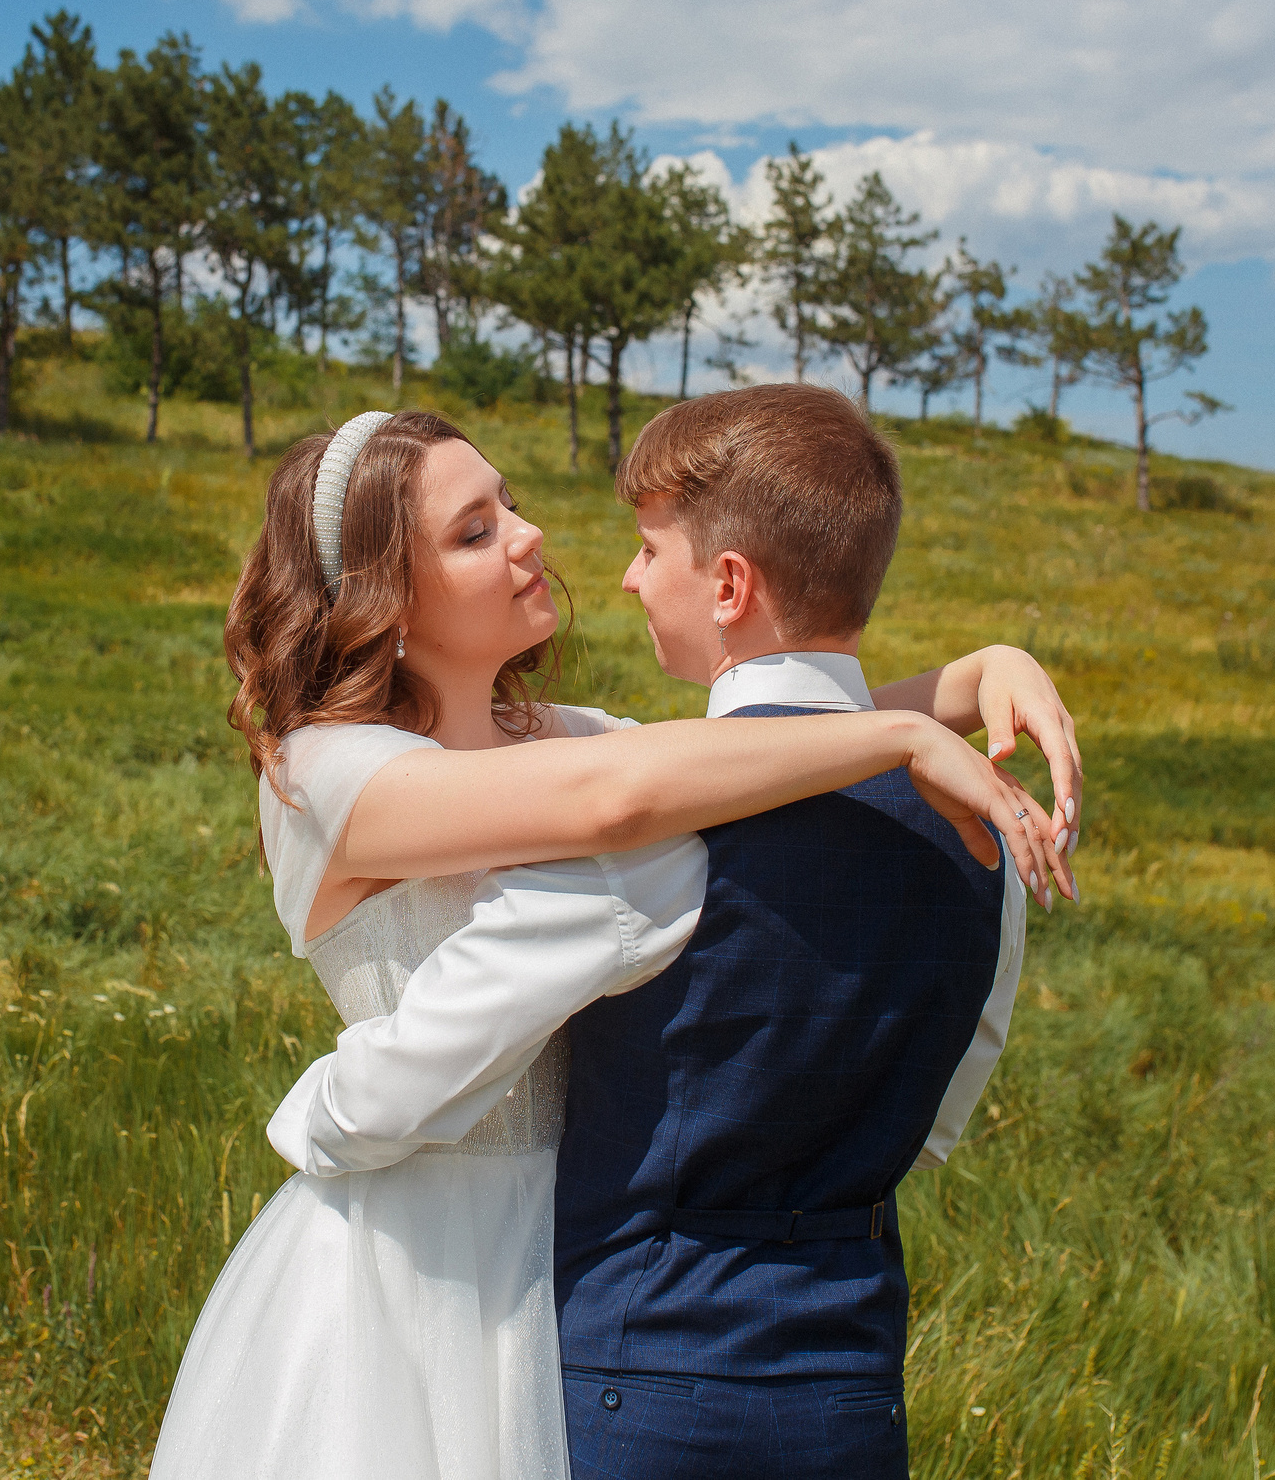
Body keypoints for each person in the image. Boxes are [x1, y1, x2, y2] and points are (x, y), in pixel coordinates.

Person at [147, 405, 1077, 1480]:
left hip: (594, 1252)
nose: (529, 532)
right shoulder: (324, 770)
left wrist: (971, 680)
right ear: (383, 600)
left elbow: (760, 750)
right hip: (422, 1253)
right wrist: (907, 730)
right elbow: (614, 802)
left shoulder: (575, 735)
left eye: (509, 504)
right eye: (474, 530)